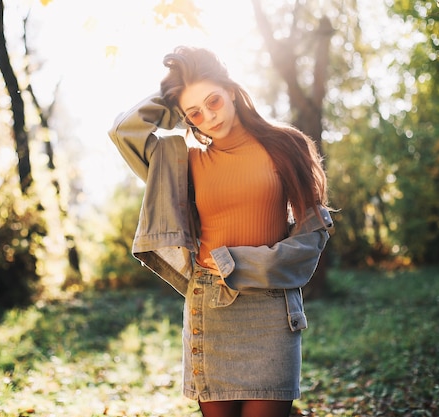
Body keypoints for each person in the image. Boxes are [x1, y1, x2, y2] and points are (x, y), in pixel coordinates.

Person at [108, 46, 333, 417]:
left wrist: (241, 262)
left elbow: (313, 235)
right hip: (209, 306)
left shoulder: (285, 146)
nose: (208, 116)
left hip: (271, 308)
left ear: (230, 89)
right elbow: (123, 130)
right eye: (194, 112)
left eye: (213, 100)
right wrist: (171, 102)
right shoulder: (183, 162)